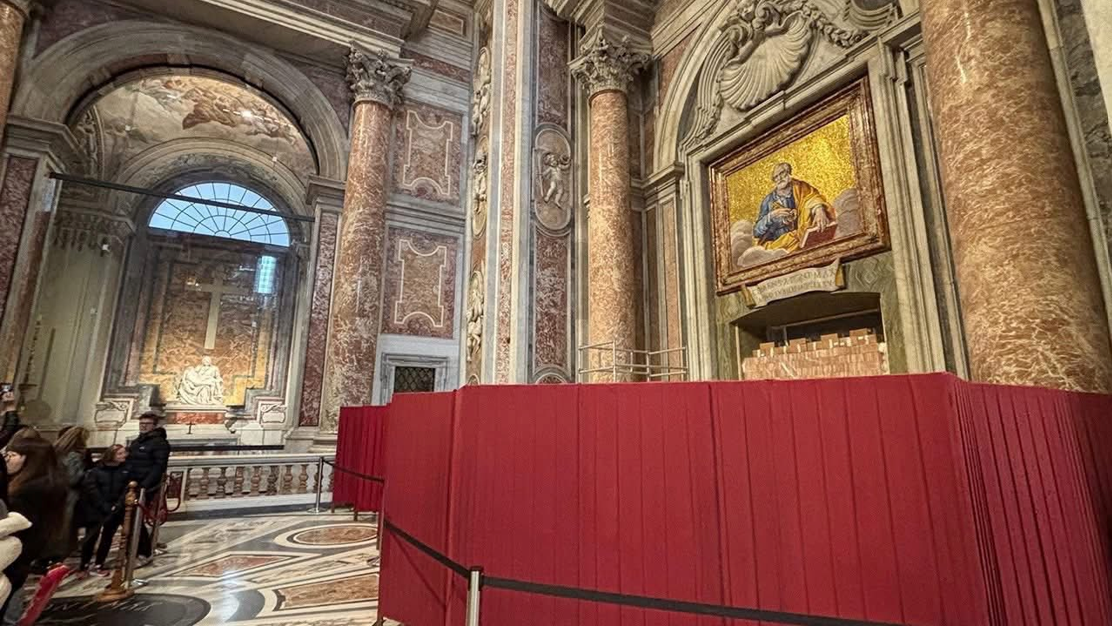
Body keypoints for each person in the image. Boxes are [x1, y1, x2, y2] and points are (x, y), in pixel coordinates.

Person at [1, 438, 65, 624]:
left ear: (29, 459)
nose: (7, 459)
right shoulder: (46, 483)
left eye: (12, 455)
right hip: (26, 551)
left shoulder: (28, 490)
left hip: (16, 550)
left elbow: (19, 524)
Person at [752, 162, 835, 253]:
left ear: (788, 172)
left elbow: (812, 198)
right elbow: (756, 232)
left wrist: (819, 210)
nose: (779, 178)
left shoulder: (800, 187)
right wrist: (771, 216)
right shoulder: (768, 201)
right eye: (776, 177)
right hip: (780, 244)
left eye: (782, 173)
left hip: (803, 236)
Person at [124, 413, 170, 562]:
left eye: (147, 423)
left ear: (154, 426)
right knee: (129, 517)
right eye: (141, 423)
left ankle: (143, 549)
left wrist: (145, 485)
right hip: (132, 484)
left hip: (145, 486)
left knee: (135, 517)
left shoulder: (159, 443)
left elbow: (158, 466)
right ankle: (133, 548)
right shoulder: (137, 441)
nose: (143, 426)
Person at [78, 444, 129, 575]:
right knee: (91, 537)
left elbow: (126, 489)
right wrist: (103, 505)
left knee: (107, 537)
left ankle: (99, 563)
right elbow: (91, 489)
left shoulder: (125, 470)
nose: (124, 456)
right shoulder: (96, 471)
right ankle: (84, 564)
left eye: (124, 453)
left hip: (115, 509)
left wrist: (118, 505)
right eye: (120, 453)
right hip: (96, 509)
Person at [53, 426, 90, 556]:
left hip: (56, 489)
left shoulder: (56, 451)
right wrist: (87, 475)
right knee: (67, 523)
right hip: (70, 493)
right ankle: (63, 550)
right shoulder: (73, 455)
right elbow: (73, 478)